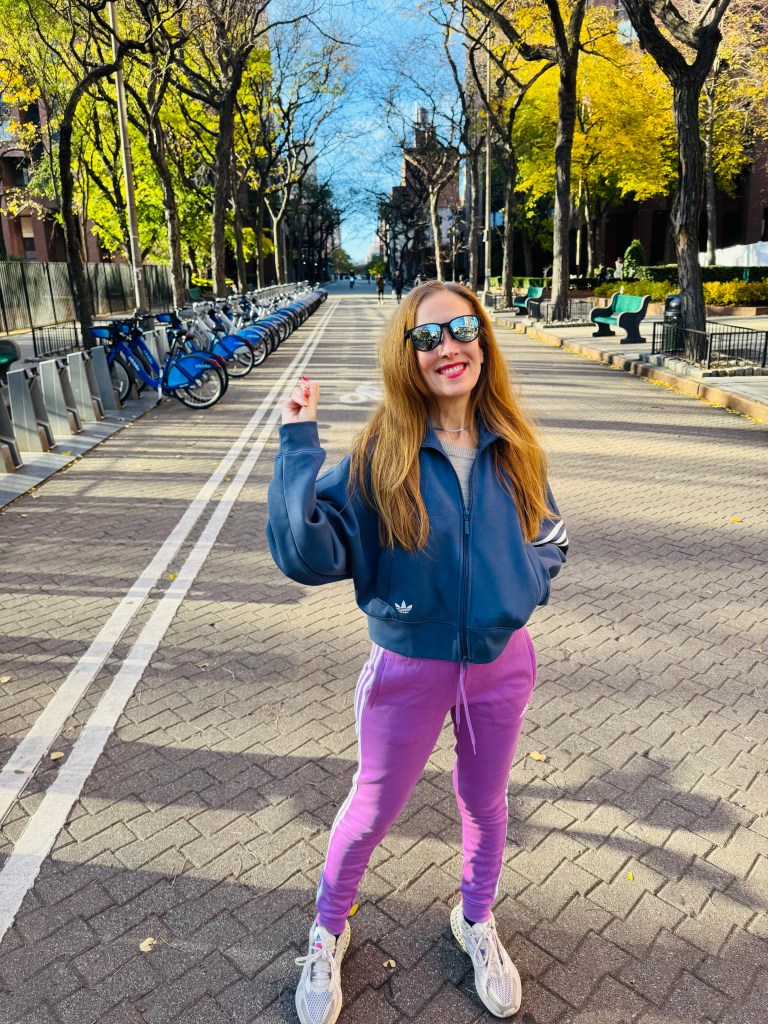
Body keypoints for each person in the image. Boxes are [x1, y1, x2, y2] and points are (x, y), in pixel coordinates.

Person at [267, 281, 568, 1024]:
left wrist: (522, 586)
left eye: (461, 328)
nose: (447, 347)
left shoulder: (516, 447)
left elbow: (551, 539)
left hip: (501, 664)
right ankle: (327, 930)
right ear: (408, 355)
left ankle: (476, 918)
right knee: (372, 808)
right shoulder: (381, 454)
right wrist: (298, 445)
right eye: (427, 337)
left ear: (483, 340)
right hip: (408, 668)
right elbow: (307, 553)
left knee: (486, 803)